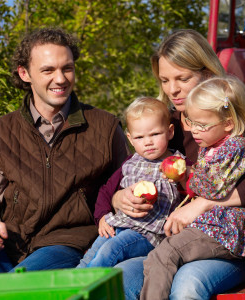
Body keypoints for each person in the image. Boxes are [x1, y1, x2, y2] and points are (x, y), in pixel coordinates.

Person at [95, 29, 245, 300]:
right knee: (122, 278)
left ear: (206, 73)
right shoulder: (163, 126)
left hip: (224, 239)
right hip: (170, 240)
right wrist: (120, 198)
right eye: (164, 80)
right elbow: (124, 173)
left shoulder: (228, 119)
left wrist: (204, 203)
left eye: (182, 78)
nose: (173, 89)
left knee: (187, 285)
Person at [0, 27, 130, 275]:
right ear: (25, 73)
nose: (61, 78)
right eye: (48, 70)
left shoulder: (105, 127)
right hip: (8, 244)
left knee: (18, 286)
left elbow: (127, 189)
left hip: (68, 244)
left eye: (67, 68)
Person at [140, 75, 245, 300]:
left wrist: (189, 174)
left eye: (202, 125)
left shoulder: (237, 146)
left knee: (165, 254)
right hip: (212, 226)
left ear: (228, 123)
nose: (194, 130)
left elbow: (213, 188)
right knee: (157, 257)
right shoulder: (211, 145)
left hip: (227, 228)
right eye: (191, 121)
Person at [77, 97, 184, 268]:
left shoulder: (177, 164)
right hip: (118, 224)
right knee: (88, 258)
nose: (148, 142)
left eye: (155, 134)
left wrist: (183, 178)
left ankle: (87, 292)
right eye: (139, 137)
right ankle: (69, 292)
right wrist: (103, 215)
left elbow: (195, 187)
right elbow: (106, 190)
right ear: (131, 139)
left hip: (149, 234)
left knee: (110, 251)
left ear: (170, 132)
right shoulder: (130, 163)